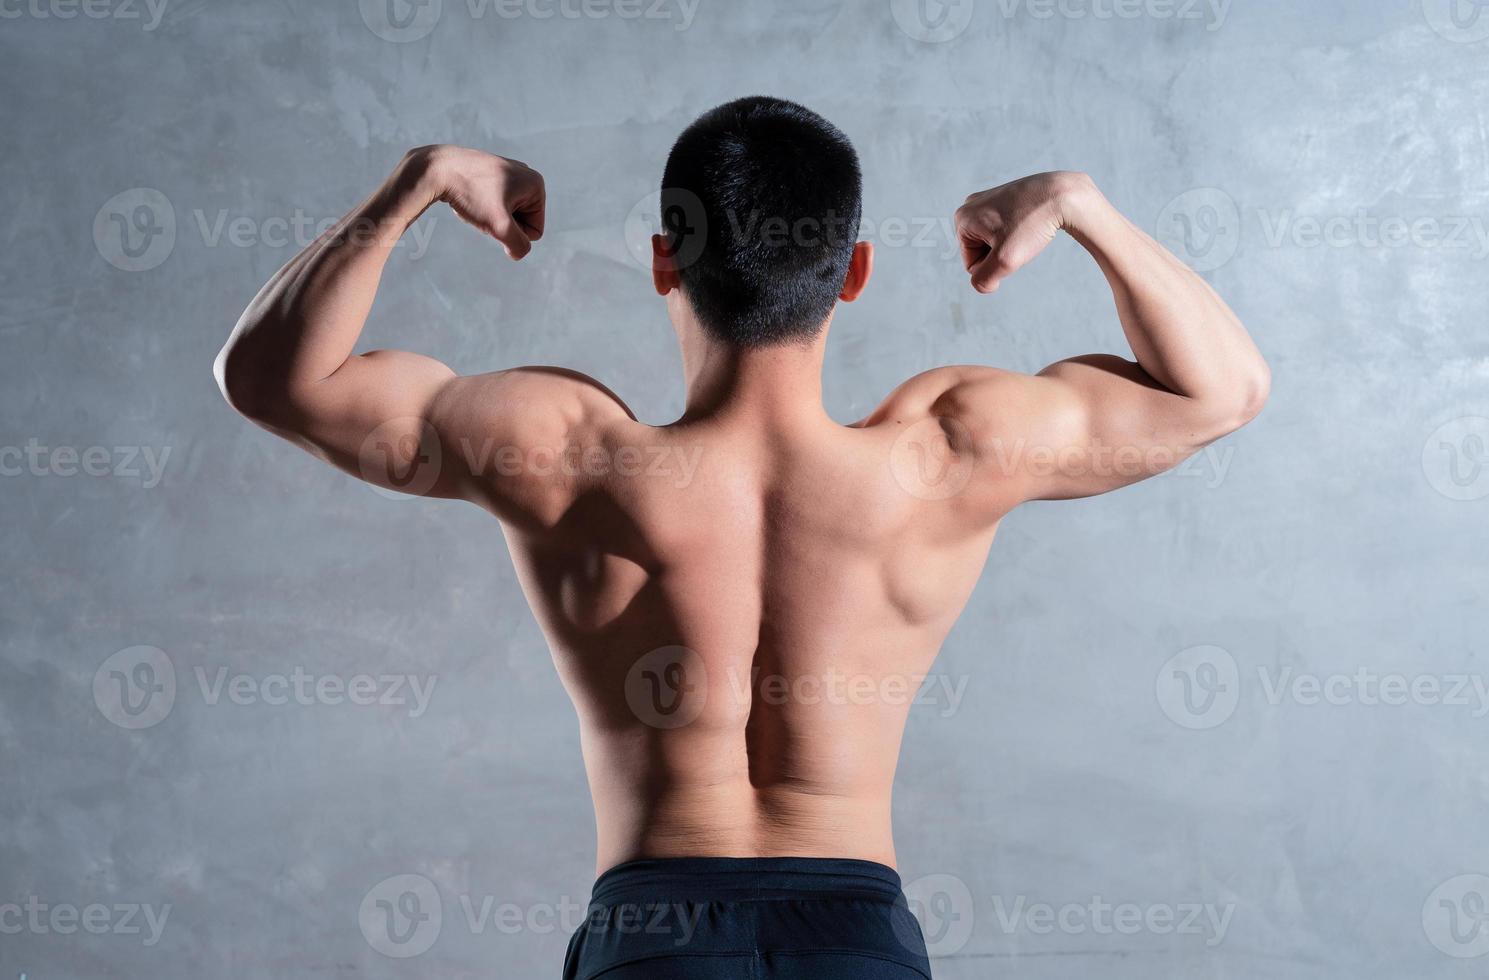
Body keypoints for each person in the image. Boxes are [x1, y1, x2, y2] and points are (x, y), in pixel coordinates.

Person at [214, 96, 1268, 979]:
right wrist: (1082, 208)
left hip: (650, 935)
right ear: (853, 271)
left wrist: (422, 179)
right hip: (853, 936)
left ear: (665, 260)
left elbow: (269, 378)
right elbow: (1223, 390)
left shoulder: (568, 452)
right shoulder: (943, 455)